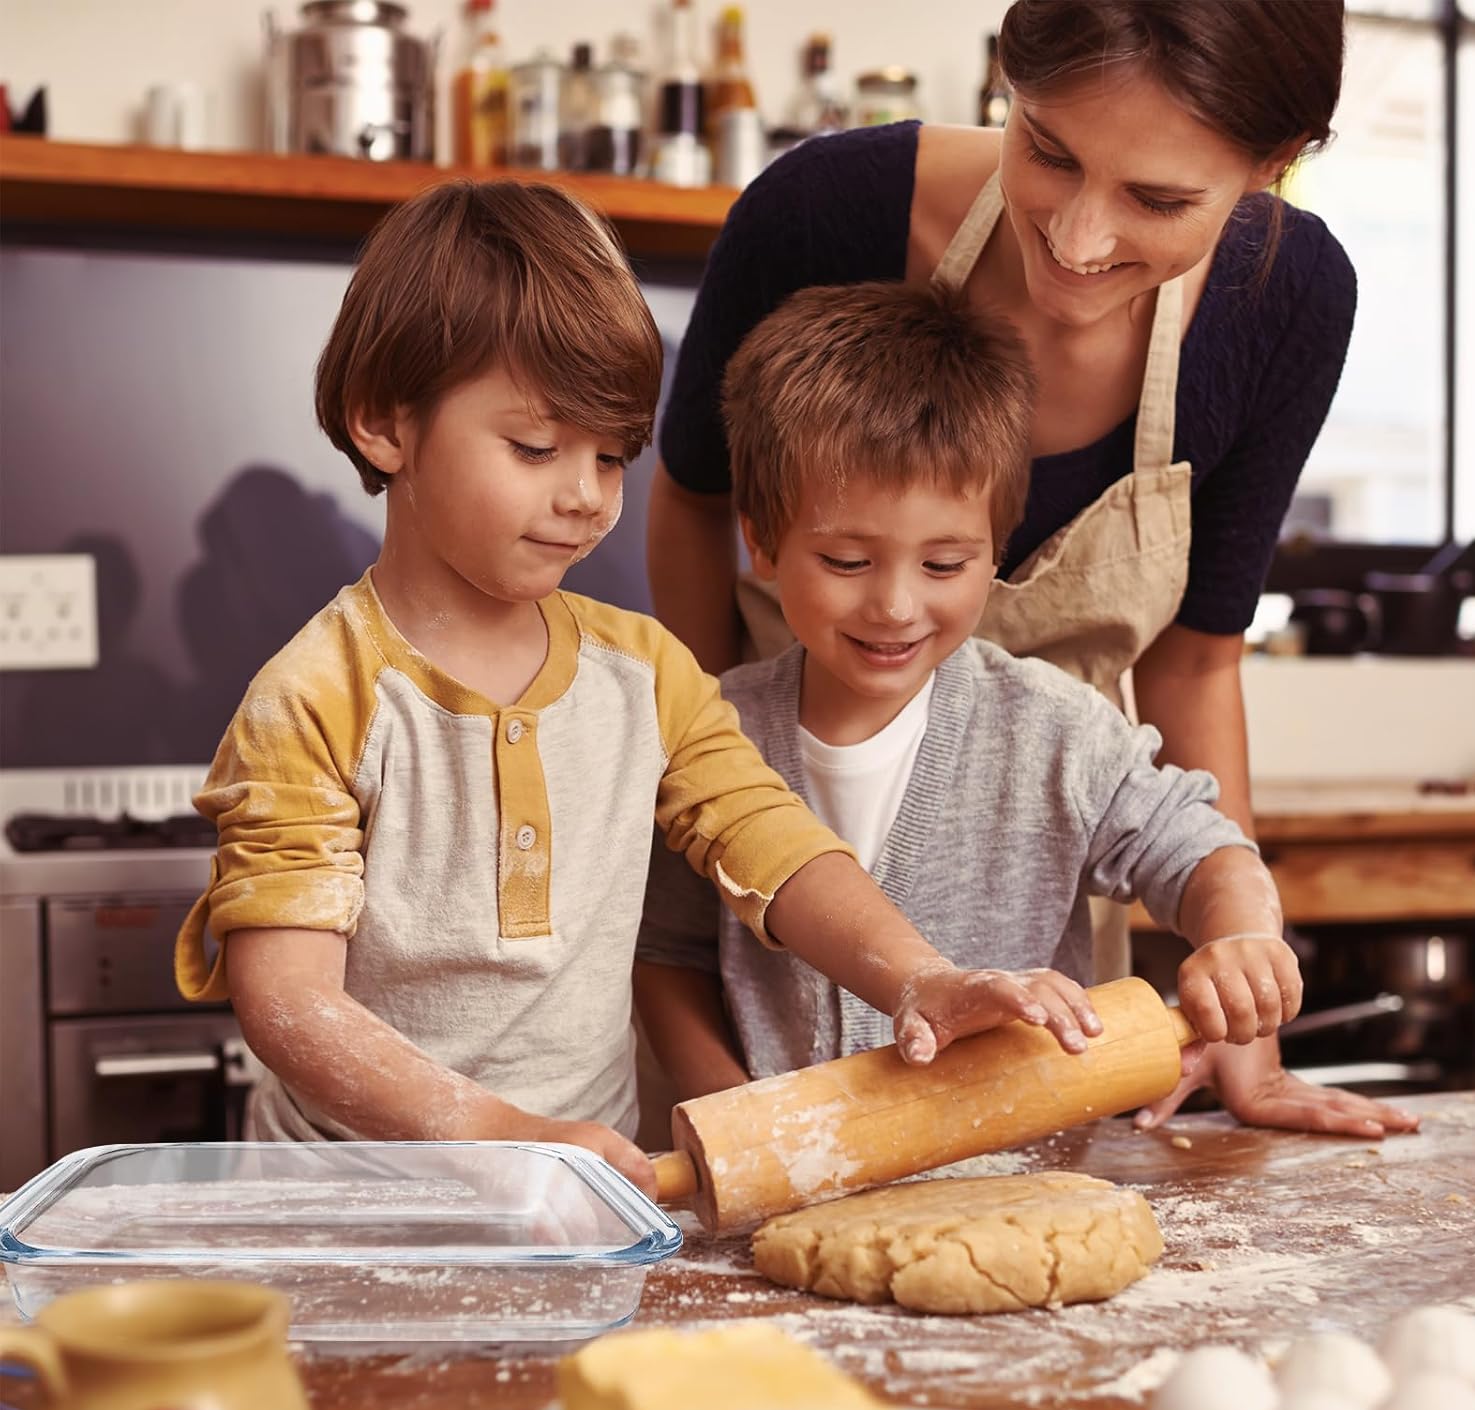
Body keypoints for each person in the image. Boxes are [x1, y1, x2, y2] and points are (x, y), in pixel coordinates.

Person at [174, 179, 1135, 1199]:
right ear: (385, 423)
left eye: (610, 455)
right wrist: (499, 1136)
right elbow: (286, 1003)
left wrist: (919, 977)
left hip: (576, 1203)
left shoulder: (645, 673)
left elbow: (778, 844)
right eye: (537, 448)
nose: (585, 493)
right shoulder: (318, 698)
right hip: (345, 1208)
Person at [645, 0, 1417, 1139]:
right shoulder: (819, 214)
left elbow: (1198, 668)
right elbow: (695, 502)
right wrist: (724, 780)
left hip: (1032, 986)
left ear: (1275, 165)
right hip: (757, 973)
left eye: (1157, 199)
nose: (1079, 238)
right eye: (1047, 149)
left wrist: (1245, 1025)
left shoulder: (1287, 302)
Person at [636, 279, 1311, 1101]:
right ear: (765, 544)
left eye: (944, 564)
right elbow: (666, 956)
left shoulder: (1053, 731)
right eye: (847, 562)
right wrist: (744, 1120)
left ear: (997, 551)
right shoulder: (712, 738)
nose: (894, 605)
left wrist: (1240, 935)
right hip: (782, 1201)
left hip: (1025, 1187)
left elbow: (1204, 851)